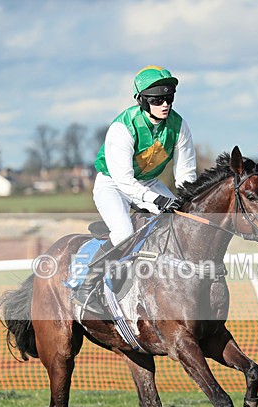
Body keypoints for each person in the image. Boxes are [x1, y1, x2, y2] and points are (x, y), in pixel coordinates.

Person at [74, 65, 197, 312]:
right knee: (123, 232)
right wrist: (156, 200)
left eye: (169, 98)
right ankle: (87, 285)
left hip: (148, 181)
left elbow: (185, 173)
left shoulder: (179, 125)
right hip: (113, 183)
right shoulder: (123, 127)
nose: (165, 105)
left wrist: (186, 201)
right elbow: (124, 180)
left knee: (182, 221)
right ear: (142, 101)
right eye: (157, 100)